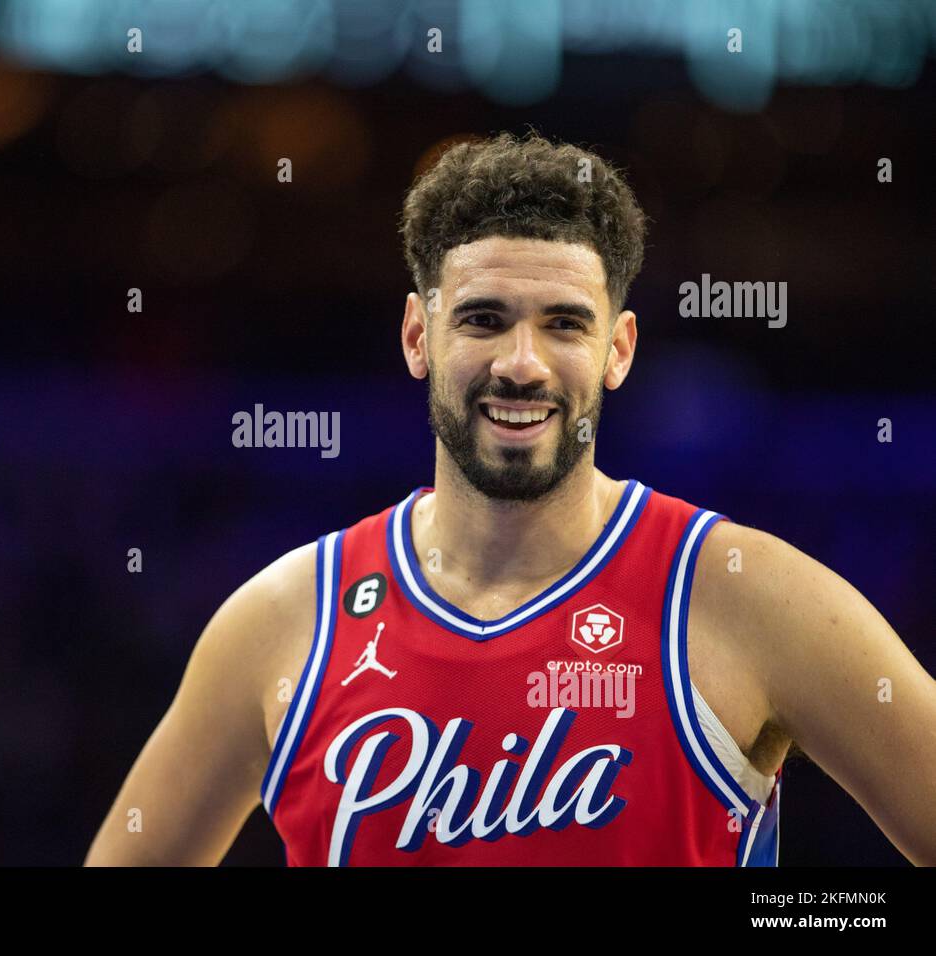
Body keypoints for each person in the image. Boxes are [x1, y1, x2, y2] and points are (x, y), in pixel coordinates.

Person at [85, 131, 936, 866]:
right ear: (419, 335)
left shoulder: (749, 595)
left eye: (564, 323)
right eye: (484, 319)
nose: (522, 362)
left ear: (619, 349)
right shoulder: (284, 619)